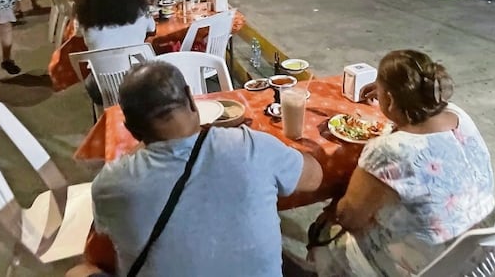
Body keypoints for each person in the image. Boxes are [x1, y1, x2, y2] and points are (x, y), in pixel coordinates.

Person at [78, 61, 323, 277]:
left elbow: (103, 252)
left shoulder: (111, 184)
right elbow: (315, 178)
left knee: (79, 271)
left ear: (130, 129)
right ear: (191, 99)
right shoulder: (252, 145)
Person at [316, 50, 495, 277]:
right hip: (481, 254)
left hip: (433, 266)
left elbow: (349, 218)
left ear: (389, 100)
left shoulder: (389, 151)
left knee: (324, 230)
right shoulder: (459, 116)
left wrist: (336, 206)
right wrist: (394, 94)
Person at [76, 0, 156, 52]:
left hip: (99, 65)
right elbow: (152, 28)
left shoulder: (86, 19)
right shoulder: (142, 12)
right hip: (137, 63)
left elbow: (78, 34)